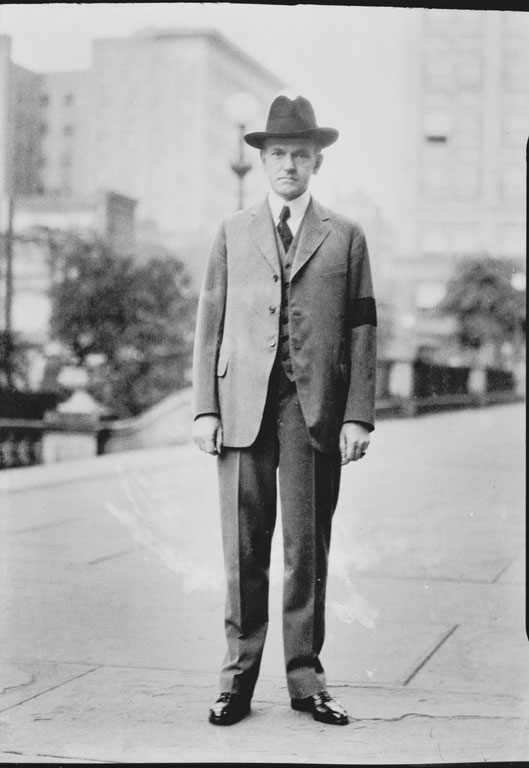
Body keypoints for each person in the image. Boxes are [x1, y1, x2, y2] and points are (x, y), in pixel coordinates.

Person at [192, 94, 377, 727]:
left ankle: (306, 681)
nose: (288, 165)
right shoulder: (232, 231)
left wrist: (358, 415)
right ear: (264, 161)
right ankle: (236, 682)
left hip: (314, 410)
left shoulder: (346, 236)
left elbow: (361, 332)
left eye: (300, 154)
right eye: (278, 155)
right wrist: (202, 410)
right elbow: (208, 325)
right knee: (242, 551)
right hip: (242, 406)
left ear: (317, 161)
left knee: (307, 550)